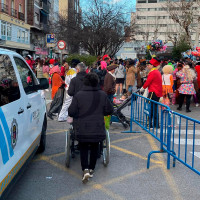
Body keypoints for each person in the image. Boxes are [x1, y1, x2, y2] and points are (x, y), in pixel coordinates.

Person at [68, 73, 113, 183]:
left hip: (83, 127)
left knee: (83, 147)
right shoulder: (102, 95)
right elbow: (109, 110)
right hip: (97, 128)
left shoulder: (79, 95)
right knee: (95, 146)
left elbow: (71, 112)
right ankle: (92, 168)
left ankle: (85, 169)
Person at [140, 57, 162, 128]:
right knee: (155, 109)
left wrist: (142, 88)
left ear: (152, 65)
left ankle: (150, 124)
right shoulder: (157, 71)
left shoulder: (153, 72)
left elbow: (148, 82)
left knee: (150, 109)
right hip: (157, 92)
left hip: (153, 92)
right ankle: (156, 124)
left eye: (149, 65)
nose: (147, 66)